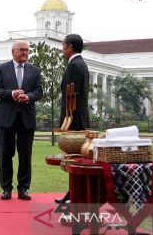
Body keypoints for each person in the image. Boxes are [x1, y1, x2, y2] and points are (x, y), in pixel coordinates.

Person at [0, 40, 43, 200]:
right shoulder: (2, 69)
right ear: (13, 52)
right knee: (6, 155)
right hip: (6, 118)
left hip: (26, 119)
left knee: (25, 155)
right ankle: (6, 188)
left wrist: (28, 97)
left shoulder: (34, 70)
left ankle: (24, 188)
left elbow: (39, 92)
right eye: (22, 50)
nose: (25, 53)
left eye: (27, 50)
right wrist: (12, 94)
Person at [55, 34, 90, 204]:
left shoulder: (74, 65)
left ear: (69, 47)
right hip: (79, 118)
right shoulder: (80, 63)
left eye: (63, 46)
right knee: (77, 160)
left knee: (75, 160)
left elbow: (72, 96)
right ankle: (73, 194)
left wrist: (67, 120)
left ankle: (75, 195)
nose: (62, 50)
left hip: (74, 120)